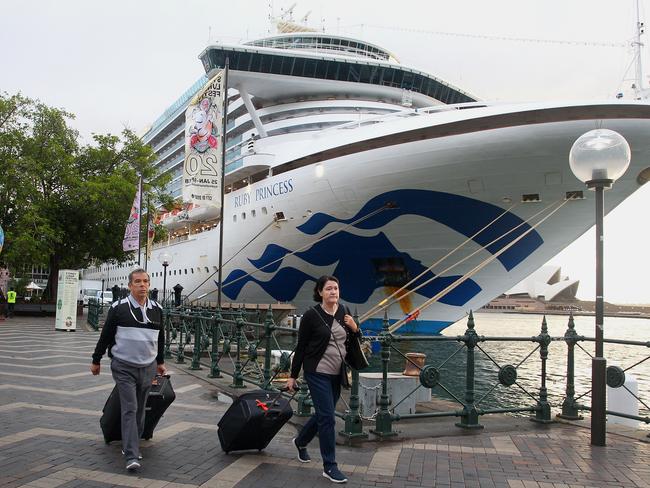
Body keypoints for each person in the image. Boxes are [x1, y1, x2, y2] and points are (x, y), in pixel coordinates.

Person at [286, 275, 361, 484]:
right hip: (316, 371)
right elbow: (301, 348)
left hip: (337, 373)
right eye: (328, 289)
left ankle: (301, 442)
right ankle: (330, 466)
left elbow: (353, 340)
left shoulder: (344, 311)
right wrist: (292, 376)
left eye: (336, 288)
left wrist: (355, 328)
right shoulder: (311, 315)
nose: (333, 292)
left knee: (322, 414)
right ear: (320, 292)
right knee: (328, 417)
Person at [90, 268, 166, 472]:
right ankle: (132, 454)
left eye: (146, 282)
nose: (143, 285)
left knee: (140, 409)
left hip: (148, 367)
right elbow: (105, 335)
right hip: (123, 366)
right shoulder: (118, 308)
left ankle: (130, 443)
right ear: (130, 285)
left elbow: (160, 338)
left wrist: (160, 362)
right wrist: (96, 359)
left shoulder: (157, 309)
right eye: (138, 282)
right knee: (130, 408)